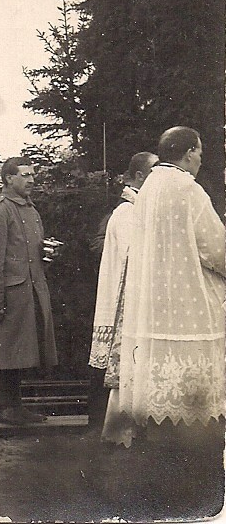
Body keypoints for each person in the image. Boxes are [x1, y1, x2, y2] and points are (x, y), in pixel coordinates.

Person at [106, 128, 225, 447]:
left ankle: (160, 447)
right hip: (189, 302)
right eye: (199, 153)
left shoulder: (148, 189)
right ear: (188, 153)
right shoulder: (188, 189)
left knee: (161, 390)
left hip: (153, 304)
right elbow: (216, 249)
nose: (200, 160)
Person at [0, 156, 58, 426]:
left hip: (30, 293)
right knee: (4, 351)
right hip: (8, 295)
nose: (31, 180)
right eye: (25, 175)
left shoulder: (31, 211)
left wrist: (47, 254)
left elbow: (28, 254)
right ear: (9, 178)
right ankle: (6, 408)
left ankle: (16, 407)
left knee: (20, 351)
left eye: (32, 175)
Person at [86, 151, 157, 433]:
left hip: (129, 297)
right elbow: (135, 257)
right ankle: (101, 428)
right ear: (139, 176)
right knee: (113, 363)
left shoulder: (139, 209)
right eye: (153, 173)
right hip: (121, 299)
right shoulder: (127, 212)